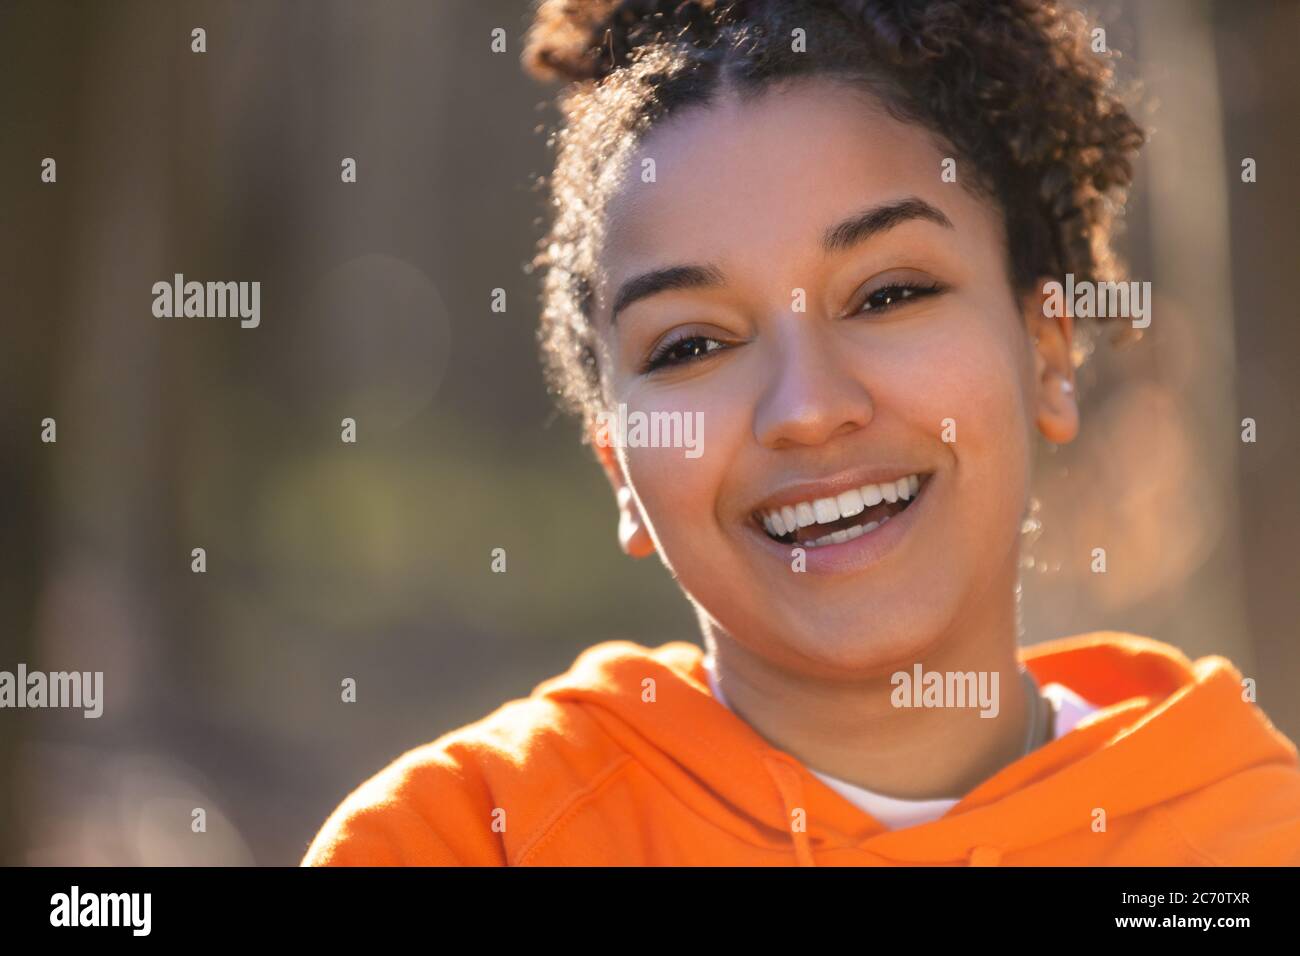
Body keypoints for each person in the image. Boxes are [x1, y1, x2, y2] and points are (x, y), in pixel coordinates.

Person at [302, 0, 1300, 866]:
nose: (807, 407)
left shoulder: (1246, 835)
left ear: (1045, 352)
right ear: (617, 465)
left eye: (888, 292)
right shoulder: (462, 840)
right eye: (692, 344)